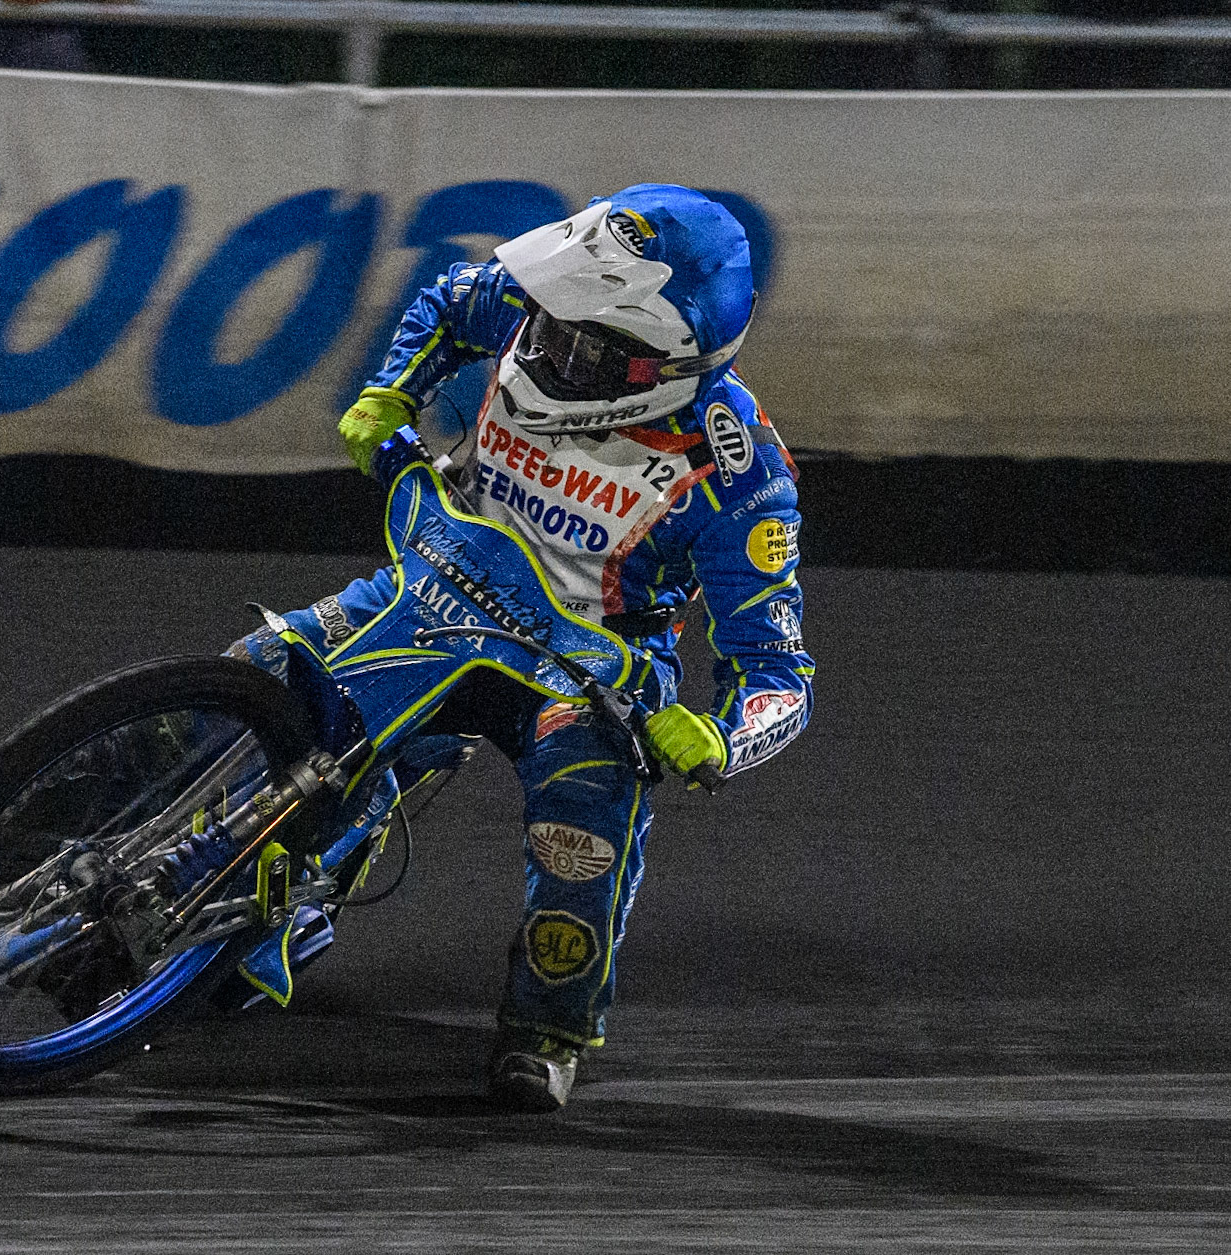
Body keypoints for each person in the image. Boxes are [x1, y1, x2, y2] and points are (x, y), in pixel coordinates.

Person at [232, 183, 814, 1111]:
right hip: (442, 584)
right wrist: (394, 390)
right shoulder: (535, 303)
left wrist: (716, 737)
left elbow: (779, 678)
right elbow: (449, 301)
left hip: (587, 668)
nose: (541, 343)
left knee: (582, 832)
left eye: (578, 341)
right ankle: (24, 832)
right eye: (546, 317)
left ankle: (548, 1029)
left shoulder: (743, 478)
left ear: (655, 366)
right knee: (253, 677)